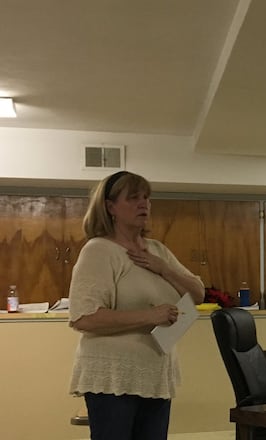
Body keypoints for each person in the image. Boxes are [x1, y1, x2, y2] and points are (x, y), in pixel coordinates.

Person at [68, 171, 205, 440]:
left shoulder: (157, 250)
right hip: (113, 376)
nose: (144, 204)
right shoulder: (99, 251)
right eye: (133, 198)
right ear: (110, 207)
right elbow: (84, 317)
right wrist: (151, 315)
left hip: (155, 375)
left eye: (146, 197)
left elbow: (198, 294)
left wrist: (163, 268)